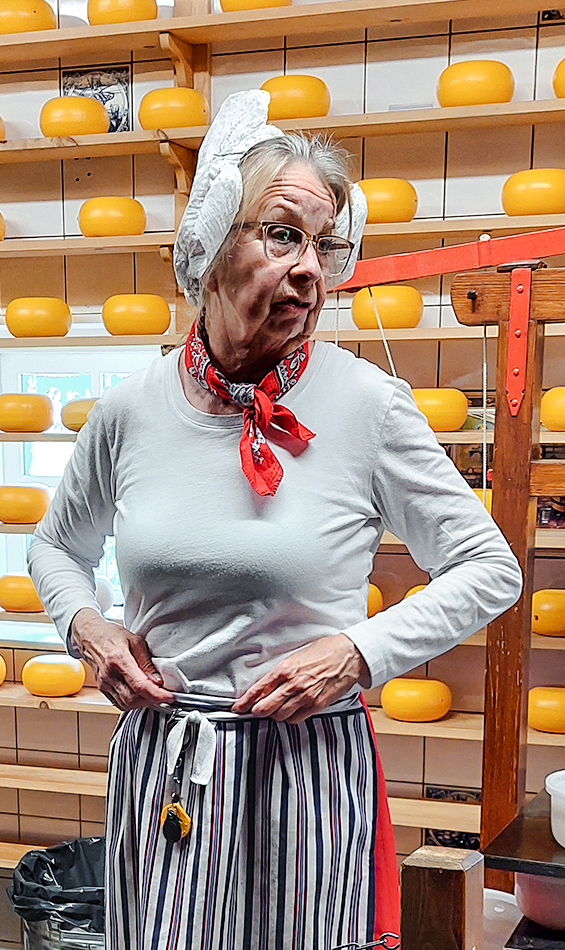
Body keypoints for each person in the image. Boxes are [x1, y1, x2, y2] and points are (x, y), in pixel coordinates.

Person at [28, 89, 523, 949]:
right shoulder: (131, 408)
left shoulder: (367, 405)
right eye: (283, 234)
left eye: (327, 246)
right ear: (209, 247)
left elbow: (491, 568)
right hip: (167, 765)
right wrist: (89, 631)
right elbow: (57, 546)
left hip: (302, 767)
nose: (311, 270)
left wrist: (358, 653)